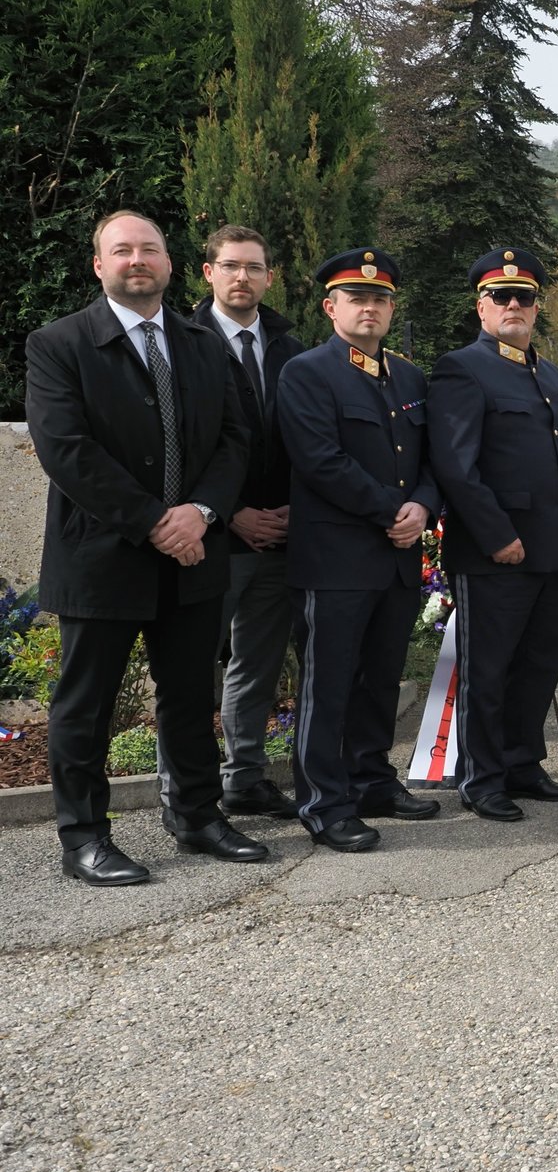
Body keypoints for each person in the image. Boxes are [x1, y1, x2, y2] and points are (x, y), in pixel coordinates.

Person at [25, 210, 262, 884]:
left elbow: (233, 440)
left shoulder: (201, 343)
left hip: (193, 557)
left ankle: (197, 817)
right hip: (102, 557)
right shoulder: (58, 344)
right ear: (99, 265)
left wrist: (203, 513)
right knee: (86, 705)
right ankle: (85, 839)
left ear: (169, 263)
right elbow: (67, 452)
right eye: (122, 250)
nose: (138, 260)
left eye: (149, 250)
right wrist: (158, 521)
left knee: (189, 696)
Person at [276, 249, 442, 851]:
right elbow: (320, 461)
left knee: (380, 679)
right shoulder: (307, 372)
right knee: (330, 684)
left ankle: (373, 779)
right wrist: (391, 510)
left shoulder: (409, 377)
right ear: (331, 307)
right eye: (357, 298)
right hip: (337, 559)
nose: (370, 307)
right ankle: (324, 802)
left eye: (380, 299)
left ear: (391, 308)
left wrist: (422, 506)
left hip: (397, 556)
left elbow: (430, 461)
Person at [429, 247, 558, 823]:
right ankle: (482, 776)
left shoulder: (544, 370)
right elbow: (455, 467)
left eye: (525, 297)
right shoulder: (462, 368)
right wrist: (496, 534)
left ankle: (523, 762)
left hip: (549, 549)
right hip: (496, 552)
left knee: (538, 665)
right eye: (501, 296)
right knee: (488, 670)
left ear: (537, 306)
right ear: (482, 305)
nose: (514, 305)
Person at [192, 224, 307, 821]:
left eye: (254, 267)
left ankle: (245, 779)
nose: (243, 277)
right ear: (208, 272)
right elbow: (177, 446)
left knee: (256, 666)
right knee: (188, 671)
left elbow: (305, 439)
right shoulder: (181, 341)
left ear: (269, 277)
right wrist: (232, 513)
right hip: (209, 537)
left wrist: (290, 508)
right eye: (231, 266)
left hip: (279, 537)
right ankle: (186, 792)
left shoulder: (291, 348)